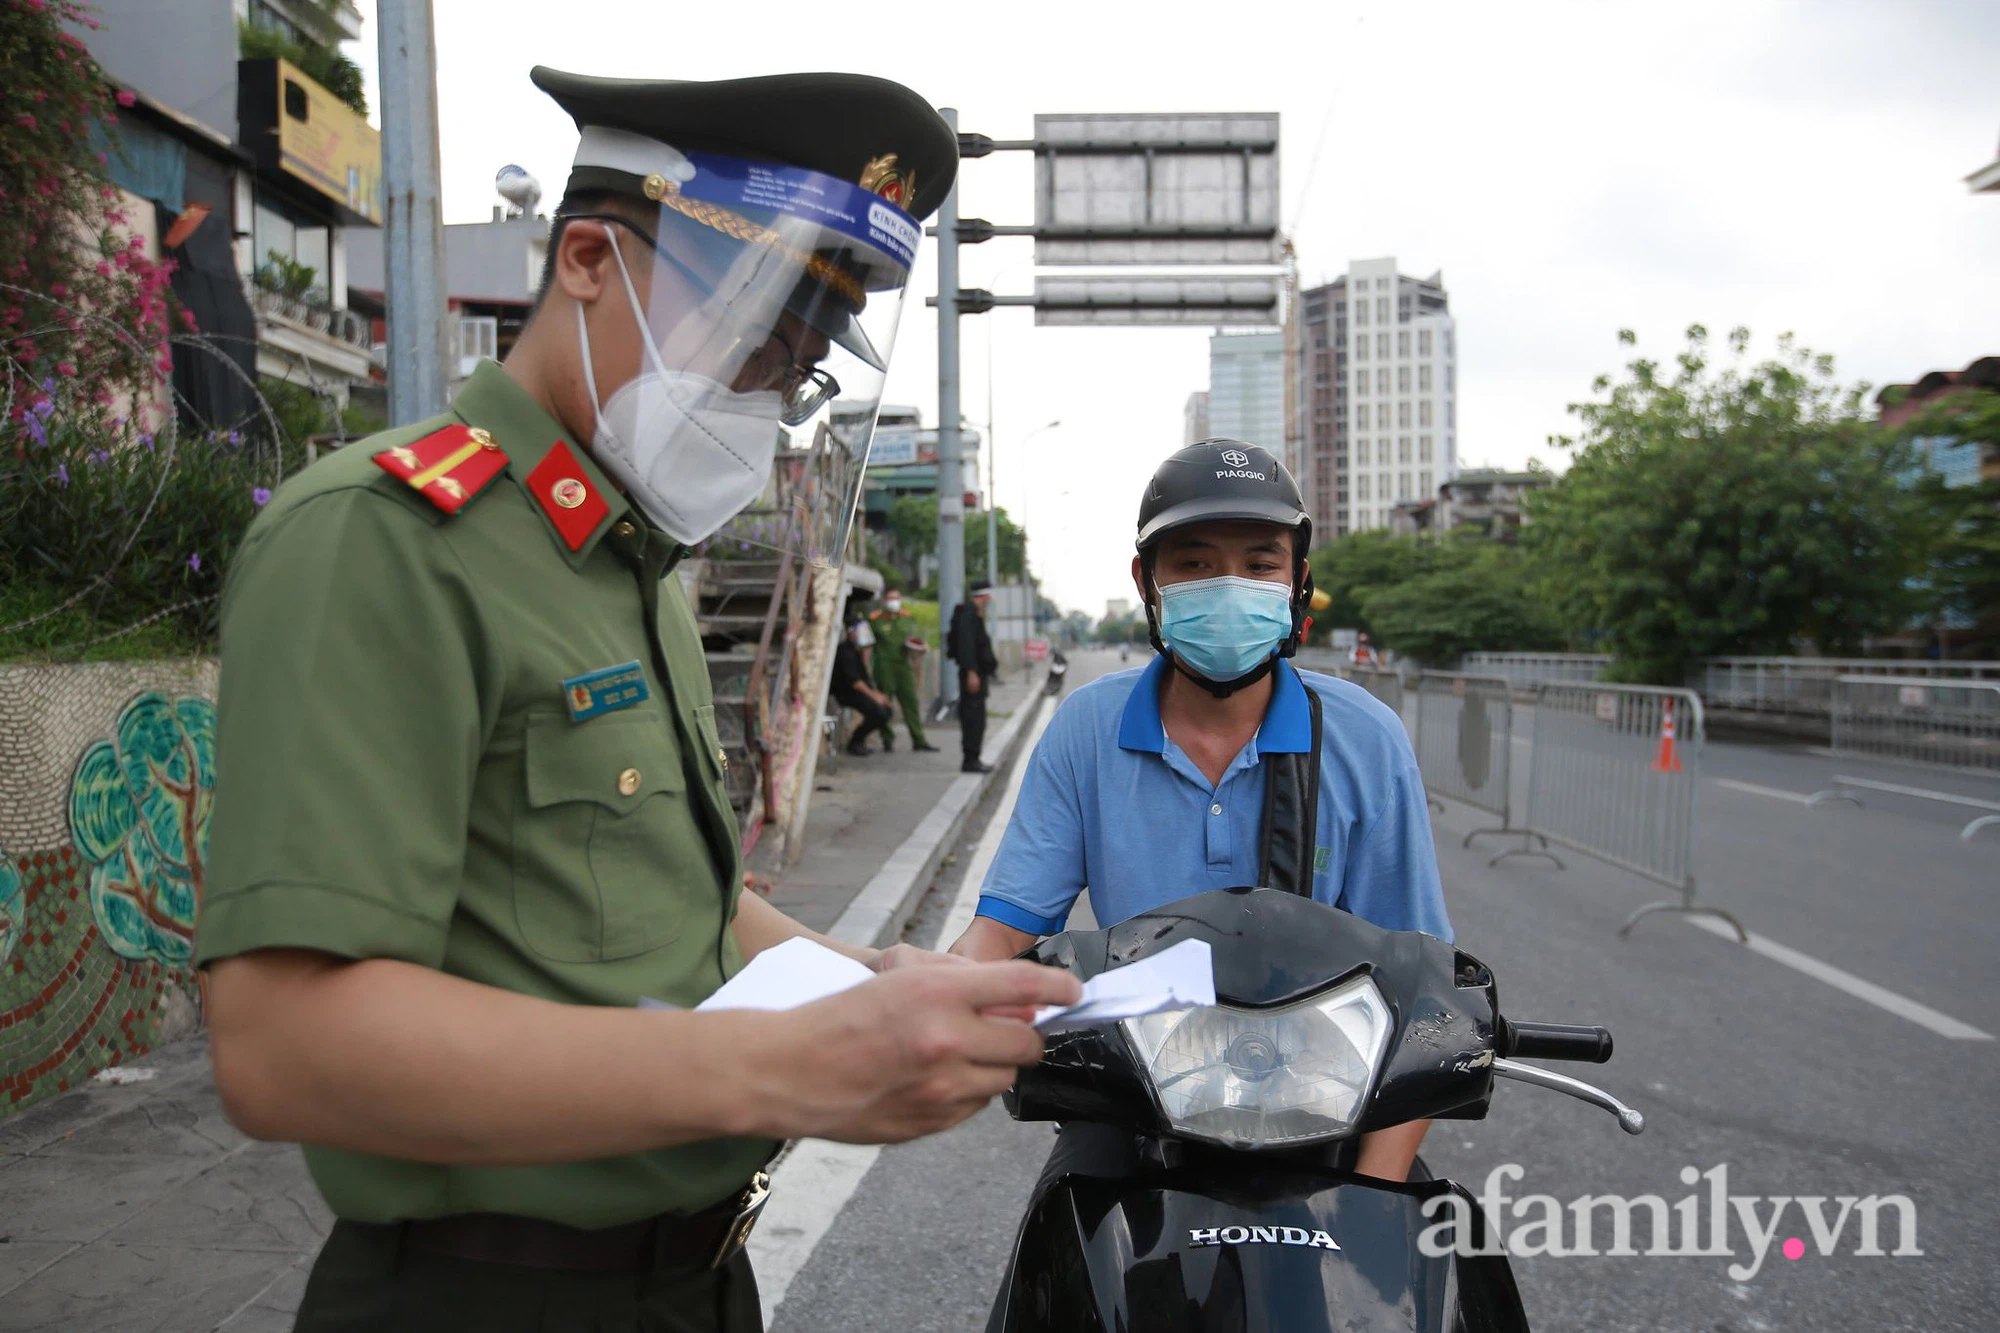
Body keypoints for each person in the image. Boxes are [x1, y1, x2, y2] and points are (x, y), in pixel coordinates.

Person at [194, 67, 1079, 1333]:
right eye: (753, 328)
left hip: (700, 1282)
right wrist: (782, 1064)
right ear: (590, 259)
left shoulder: (635, 561)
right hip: (490, 1297)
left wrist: (876, 984)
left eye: (801, 360)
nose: (770, 391)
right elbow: (285, 1046)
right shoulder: (382, 542)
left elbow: (681, 900)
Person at [950, 439, 1450, 1187]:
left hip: (1328, 1101)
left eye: (1258, 564)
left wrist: (1373, 1192)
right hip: (1136, 1100)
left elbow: (1426, 987)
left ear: (1298, 581)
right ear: (1146, 581)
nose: (1227, 586)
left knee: (1431, 1286)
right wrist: (922, 1003)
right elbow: (1004, 926)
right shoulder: (1087, 729)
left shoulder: (1363, 738)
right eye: (1193, 563)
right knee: (1052, 1274)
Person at [867, 587, 937, 752]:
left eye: (897, 598)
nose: (894, 602)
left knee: (911, 702)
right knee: (885, 703)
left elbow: (915, 640)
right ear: (884, 601)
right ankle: (887, 739)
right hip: (884, 665)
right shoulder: (875, 619)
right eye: (891, 598)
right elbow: (868, 645)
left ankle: (918, 739)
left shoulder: (907, 618)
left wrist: (919, 650)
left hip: (903, 666)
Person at [948, 578, 1000, 773]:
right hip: (973, 674)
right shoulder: (969, 615)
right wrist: (971, 673)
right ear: (985, 595)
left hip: (976, 673)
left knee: (976, 717)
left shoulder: (972, 613)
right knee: (973, 718)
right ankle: (970, 760)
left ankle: (973, 758)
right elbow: (967, 646)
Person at [832, 618, 895, 755]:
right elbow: (855, 682)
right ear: (851, 633)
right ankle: (855, 743)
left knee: (886, 711)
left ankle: (858, 741)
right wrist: (875, 697)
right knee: (879, 713)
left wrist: (878, 695)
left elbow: (865, 678)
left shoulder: (856, 651)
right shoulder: (845, 652)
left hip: (858, 691)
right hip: (846, 692)